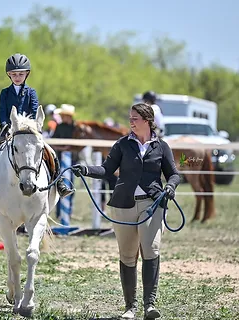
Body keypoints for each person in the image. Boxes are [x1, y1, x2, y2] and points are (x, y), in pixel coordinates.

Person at [71, 102, 180, 319]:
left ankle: (150, 305)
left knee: (151, 249)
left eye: (135, 119)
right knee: (128, 256)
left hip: (152, 204)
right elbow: (106, 169)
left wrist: (170, 186)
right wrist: (86, 170)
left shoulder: (162, 147)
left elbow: (174, 174)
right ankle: (130, 307)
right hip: (123, 205)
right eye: (130, 118)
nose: (130, 122)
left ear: (148, 121)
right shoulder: (121, 145)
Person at [0, 53, 74, 203]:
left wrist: (28, 126)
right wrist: (5, 125)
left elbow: (34, 110)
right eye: (14, 74)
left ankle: (59, 183)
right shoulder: (5, 93)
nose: (17, 77)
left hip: (28, 131)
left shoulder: (31, 92)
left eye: (21, 74)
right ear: (9, 75)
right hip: (9, 130)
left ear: (26, 74)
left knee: (51, 153)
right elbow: (2, 111)